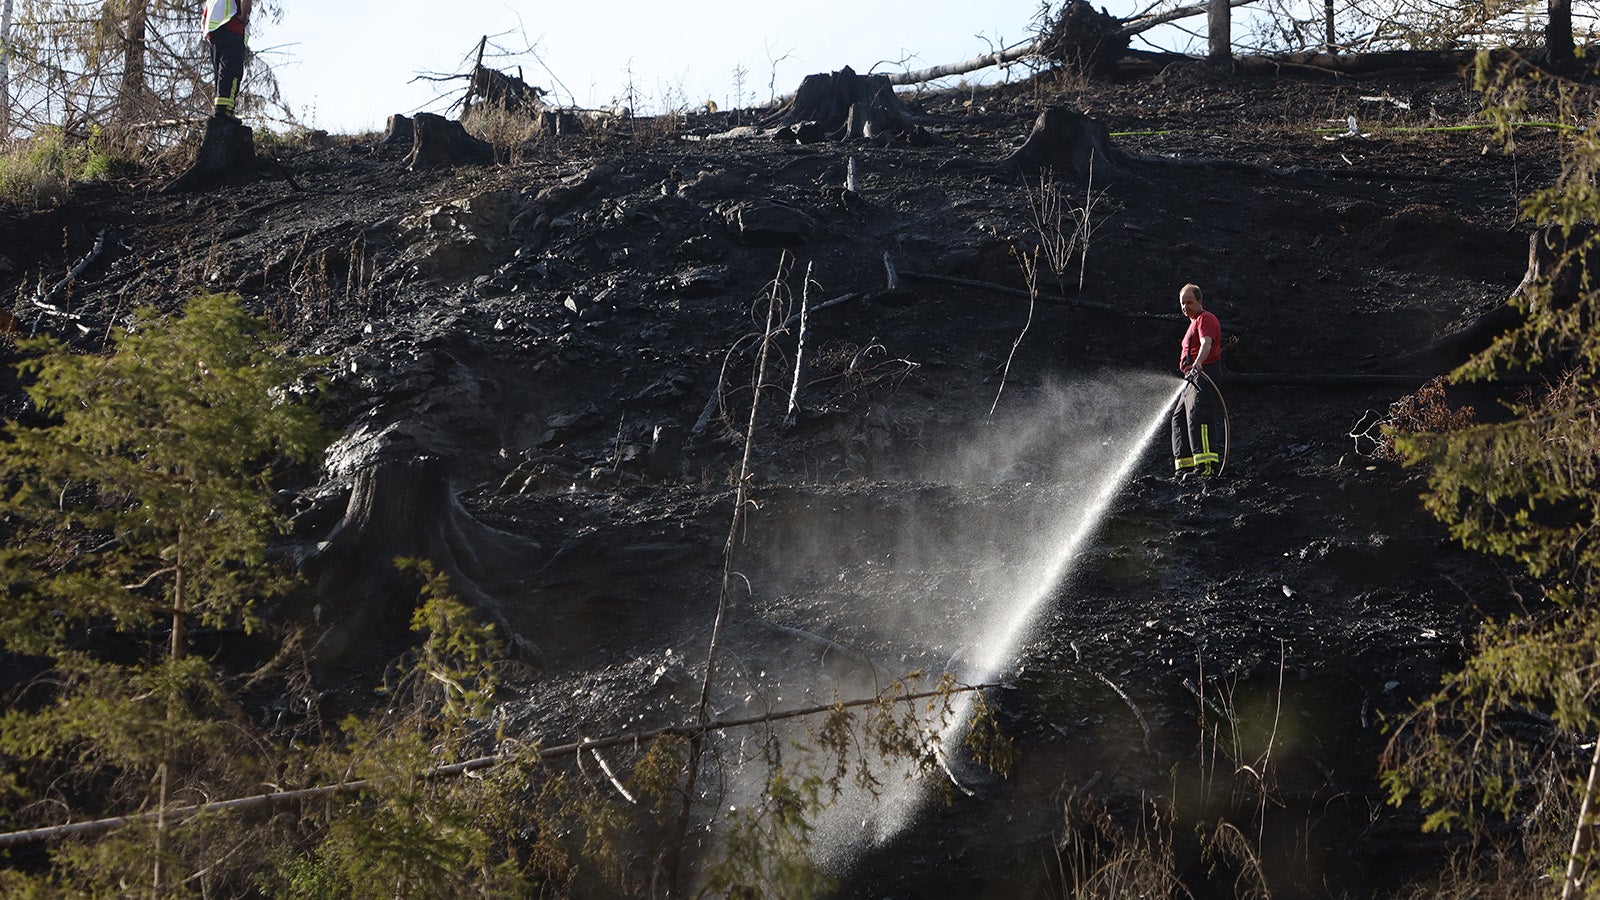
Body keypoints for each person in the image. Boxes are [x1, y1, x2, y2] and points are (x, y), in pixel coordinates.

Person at [1171, 283, 1222, 479]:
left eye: (1189, 302)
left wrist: (1198, 365)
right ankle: (1184, 467)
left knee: (1198, 416)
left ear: (1200, 301)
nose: (1185, 307)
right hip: (1191, 377)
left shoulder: (1205, 319)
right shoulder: (1193, 323)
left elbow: (1206, 343)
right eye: (1182, 304)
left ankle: (1206, 467)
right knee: (1179, 418)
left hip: (1204, 373)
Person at [202, 0, 252, 120]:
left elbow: (203, 19)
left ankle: (220, 110)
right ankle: (226, 112)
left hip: (214, 34)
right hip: (233, 30)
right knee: (231, 73)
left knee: (220, 75)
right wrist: (243, 17)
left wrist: (206, 33)